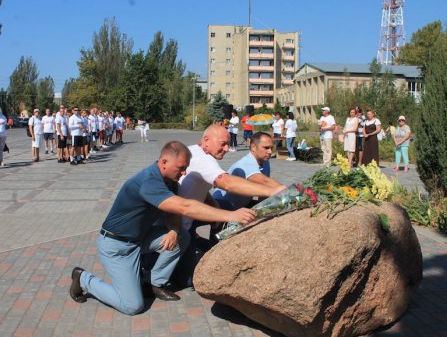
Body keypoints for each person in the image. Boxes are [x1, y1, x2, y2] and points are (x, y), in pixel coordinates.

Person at [69, 141, 256, 315]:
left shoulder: (170, 182)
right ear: (164, 161)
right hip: (116, 247)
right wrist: (230, 215)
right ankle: (84, 279)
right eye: (181, 168)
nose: (184, 173)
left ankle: (155, 283)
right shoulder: (149, 181)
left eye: (185, 169)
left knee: (182, 236)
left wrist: (174, 230)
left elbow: (174, 214)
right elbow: (185, 206)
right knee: (132, 305)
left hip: (139, 240)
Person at [172, 124, 285, 287]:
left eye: (228, 143)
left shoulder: (200, 154)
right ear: (206, 140)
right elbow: (228, 183)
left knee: (222, 217)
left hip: (187, 218)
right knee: (189, 280)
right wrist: (275, 191)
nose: (227, 148)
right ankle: (153, 266)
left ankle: (196, 246)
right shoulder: (203, 159)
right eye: (222, 143)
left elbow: (200, 189)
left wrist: (214, 206)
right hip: (176, 223)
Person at [212, 132, 283, 210]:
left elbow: (264, 192)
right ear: (253, 147)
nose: (270, 152)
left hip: (240, 206)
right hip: (220, 206)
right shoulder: (246, 163)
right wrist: (288, 192)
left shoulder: (265, 163)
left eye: (271, 148)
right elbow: (264, 181)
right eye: (266, 148)